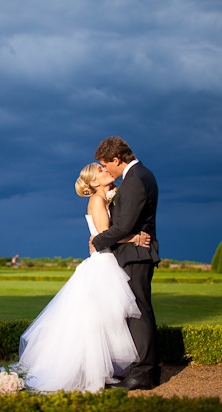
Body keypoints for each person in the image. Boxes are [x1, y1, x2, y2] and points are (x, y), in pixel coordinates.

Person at [16, 163, 149, 392]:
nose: (106, 170)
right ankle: (95, 373)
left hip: (104, 260)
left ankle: (103, 371)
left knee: (104, 320)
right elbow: (106, 235)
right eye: (100, 170)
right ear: (94, 182)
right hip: (103, 263)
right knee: (97, 321)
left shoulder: (103, 198)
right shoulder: (97, 201)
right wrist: (135, 239)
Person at [90, 136, 160, 391]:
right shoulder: (139, 176)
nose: (105, 170)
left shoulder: (135, 180)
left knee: (138, 314)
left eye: (105, 165)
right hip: (133, 251)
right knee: (136, 313)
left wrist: (97, 241)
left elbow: (124, 226)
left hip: (135, 255)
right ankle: (143, 369)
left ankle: (144, 374)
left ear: (117, 160)